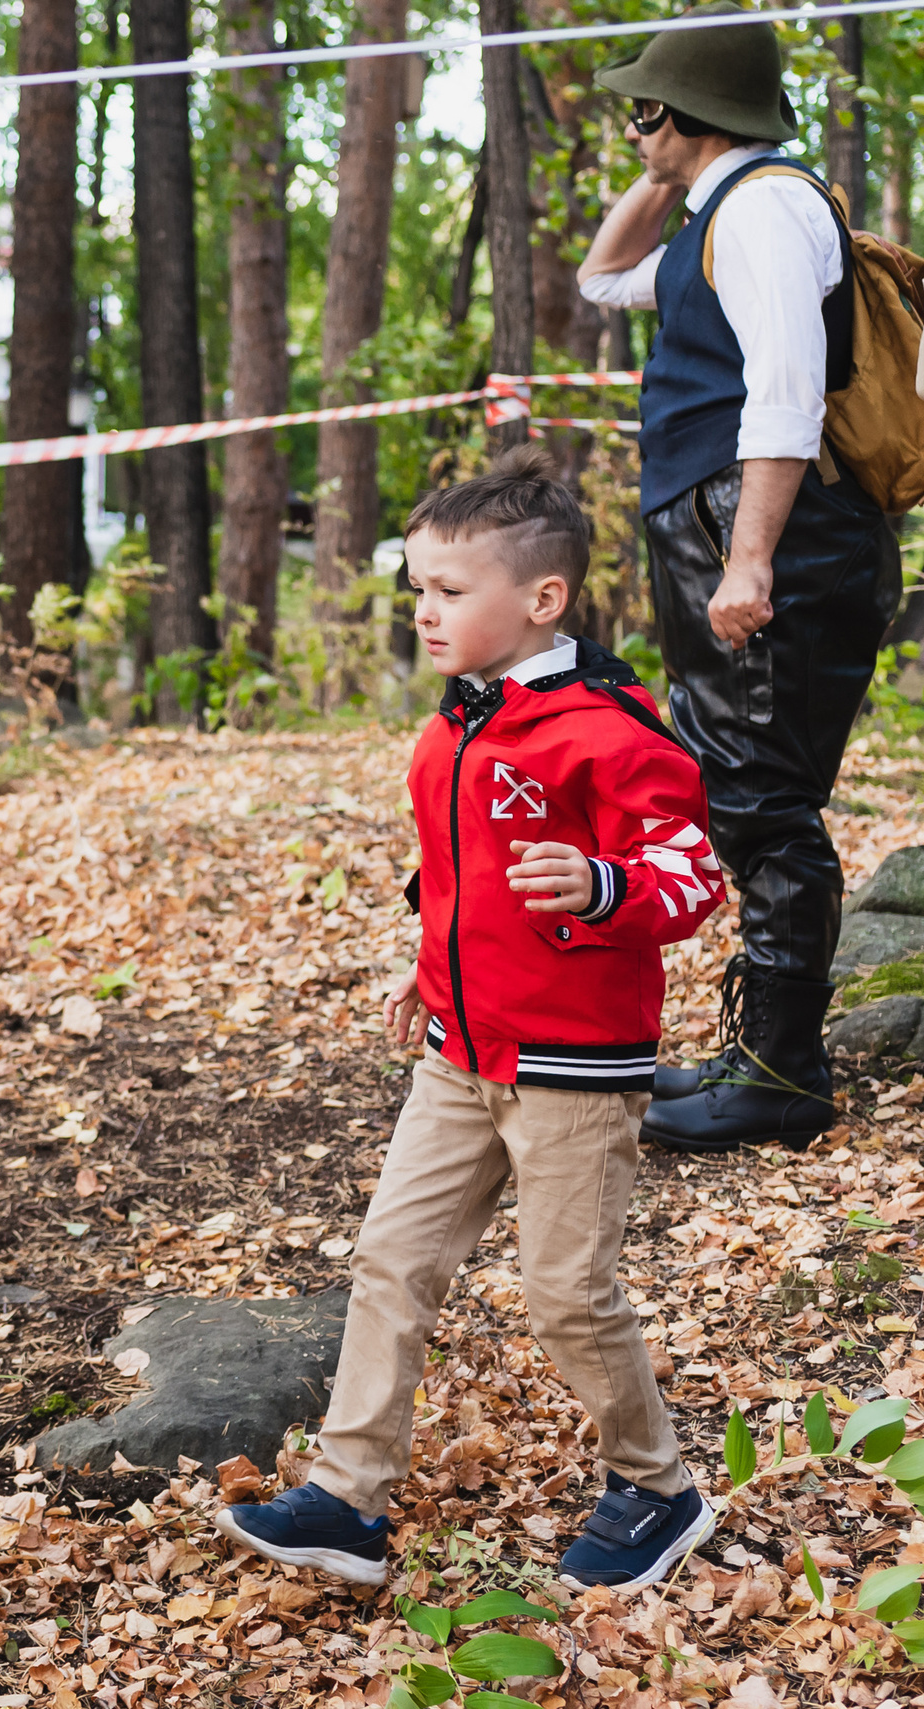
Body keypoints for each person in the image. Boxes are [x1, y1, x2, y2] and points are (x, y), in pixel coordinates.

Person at [216, 449, 728, 1591]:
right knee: (390, 1260)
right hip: (455, 1056)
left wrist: (603, 885)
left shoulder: (610, 731)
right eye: (416, 589)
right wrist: (425, 968)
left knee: (565, 1294)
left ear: (541, 599)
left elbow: (692, 877)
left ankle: (656, 1484)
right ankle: (347, 1498)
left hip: (572, 1069)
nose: (423, 612)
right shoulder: (452, 727)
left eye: (449, 591)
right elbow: (450, 879)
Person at [578, 0, 903, 1153]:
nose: (629, 128)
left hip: (767, 532)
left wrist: (748, 559)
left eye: (642, 111)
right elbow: (600, 276)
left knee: (760, 799)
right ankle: (763, 1046)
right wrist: (673, 170)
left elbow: (780, 394)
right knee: (741, 785)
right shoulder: (720, 206)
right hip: (725, 526)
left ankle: (782, 1068)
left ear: (681, 107)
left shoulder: (763, 211)